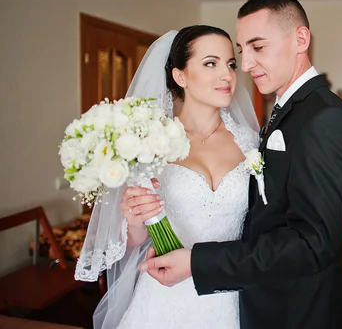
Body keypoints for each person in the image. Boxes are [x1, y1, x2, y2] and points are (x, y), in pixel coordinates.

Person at [141, 0, 342, 329]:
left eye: (257, 47)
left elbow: (312, 244)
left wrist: (198, 262)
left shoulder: (325, 119)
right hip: (258, 302)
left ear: (300, 39)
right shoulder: (288, 113)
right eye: (242, 51)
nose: (244, 65)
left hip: (301, 314)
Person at [74, 25, 260, 329]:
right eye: (210, 63)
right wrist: (134, 218)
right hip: (166, 297)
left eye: (230, 64)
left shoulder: (250, 143)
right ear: (180, 76)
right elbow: (135, 241)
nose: (226, 75)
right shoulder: (149, 145)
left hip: (233, 294)